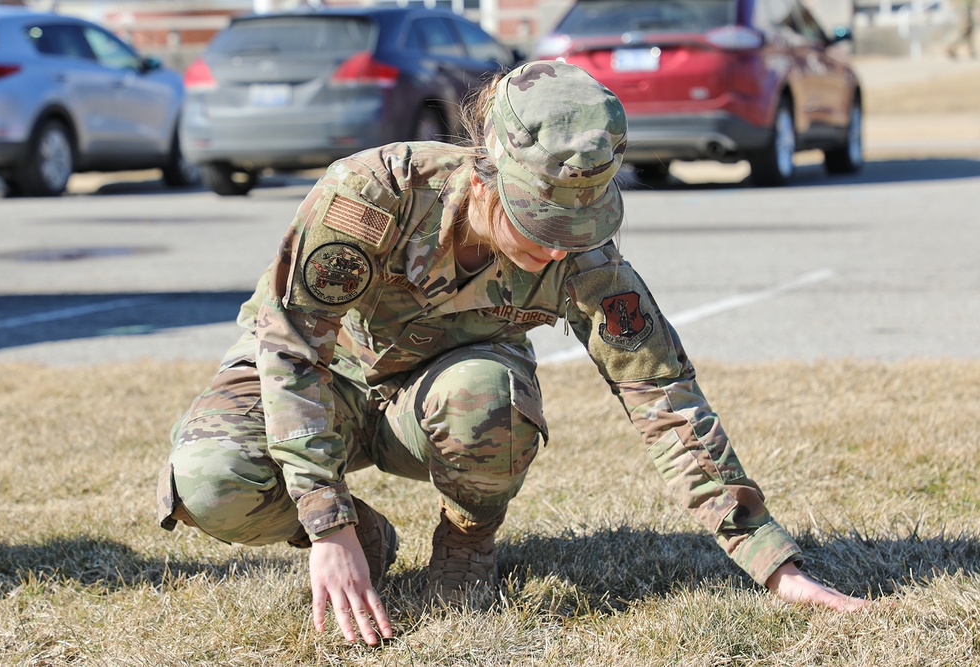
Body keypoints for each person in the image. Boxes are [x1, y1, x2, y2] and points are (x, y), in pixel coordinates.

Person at [156, 60, 870, 647]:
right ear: (488, 166)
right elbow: (288, 346)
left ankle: (466, 544)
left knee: (485, 393)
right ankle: (369, 538)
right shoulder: (375, 193)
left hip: (438, 404)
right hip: (323, 379)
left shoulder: (584, 258)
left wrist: (772, 562)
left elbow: (666, 399)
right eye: (541, 220)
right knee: (209, 479)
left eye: (577, 224)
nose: (558, 245)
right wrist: (327, 522)